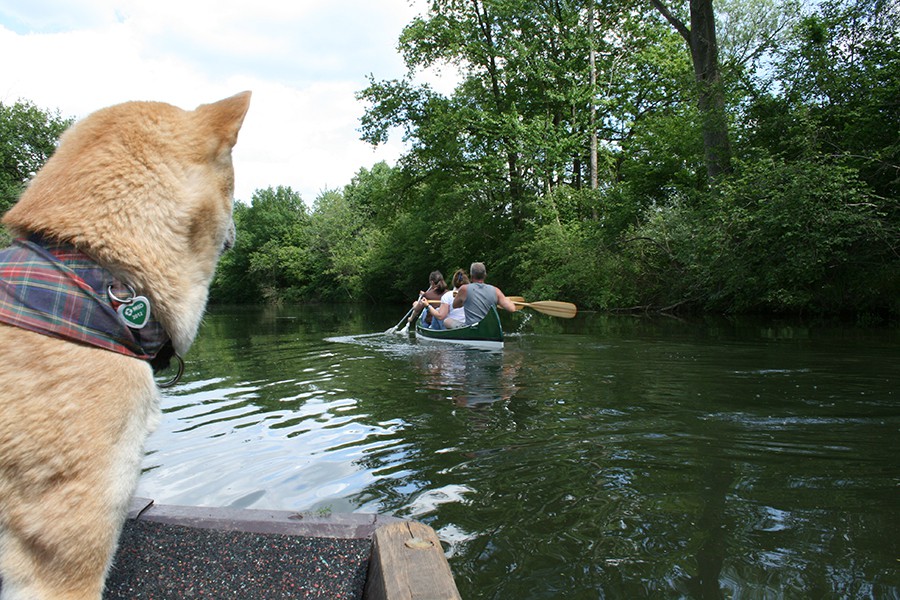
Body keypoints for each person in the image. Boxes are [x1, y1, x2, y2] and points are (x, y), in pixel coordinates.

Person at [452, 262, 516, 325]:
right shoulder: (496, 290)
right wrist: (508, 301)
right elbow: (512, 309)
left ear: (471, 275)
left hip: (473, 329)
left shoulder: (464, 289)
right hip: (491, 328)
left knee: (447, 321)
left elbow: (454, 305)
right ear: (485, 275)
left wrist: (465, 301)